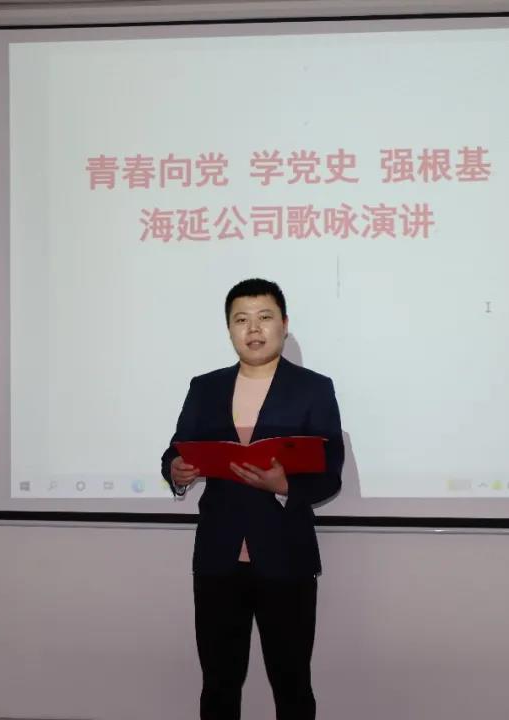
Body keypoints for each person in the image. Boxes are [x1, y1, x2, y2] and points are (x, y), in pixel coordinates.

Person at [161, 278, 344, 720]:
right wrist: (176, 470)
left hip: (286, 558)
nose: (253, 328)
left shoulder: (313, 388)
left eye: (264, 317)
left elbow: (329, 473)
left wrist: (285, 486)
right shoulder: (205, 387)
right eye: (241, 319)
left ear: (284, 324)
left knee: (292, 684)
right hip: (218, 560)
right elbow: (175, 450)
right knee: (219, 684)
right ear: (229, 329)